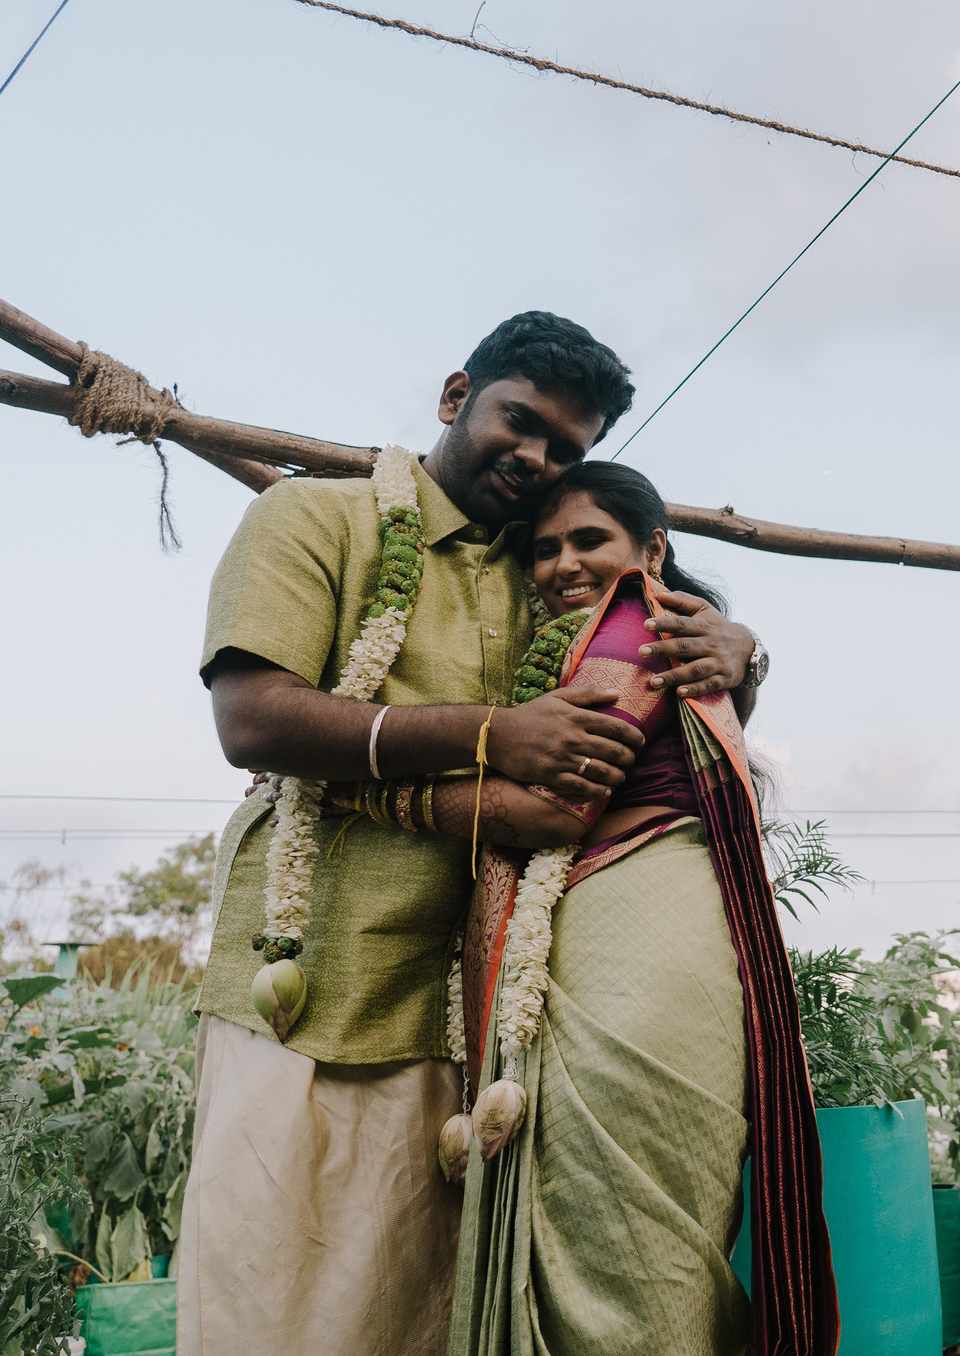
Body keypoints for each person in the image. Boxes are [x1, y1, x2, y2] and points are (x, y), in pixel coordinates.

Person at [174, 313, 765, 1356]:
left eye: (567, 449)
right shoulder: (317, 518)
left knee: (428, 1319)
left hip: (474, 1025)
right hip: (312, 988)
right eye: (519, 421)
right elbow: (253, 720)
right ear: (456, 397)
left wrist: (741, 651)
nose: (537, 459)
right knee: (271, 1309)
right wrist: (496, 734)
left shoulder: (553, 574)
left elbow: (652, 722)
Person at [447, 462, 833, 1356]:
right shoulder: (578, 644)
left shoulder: (635, 622)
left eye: (590, 539)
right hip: (623, 926)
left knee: (619, 1204)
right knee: (617, 1209)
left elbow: (556, 807)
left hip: (639, 924)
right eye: (545, 549)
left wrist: (376, 791)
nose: (564, 564)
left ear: (651, 549)